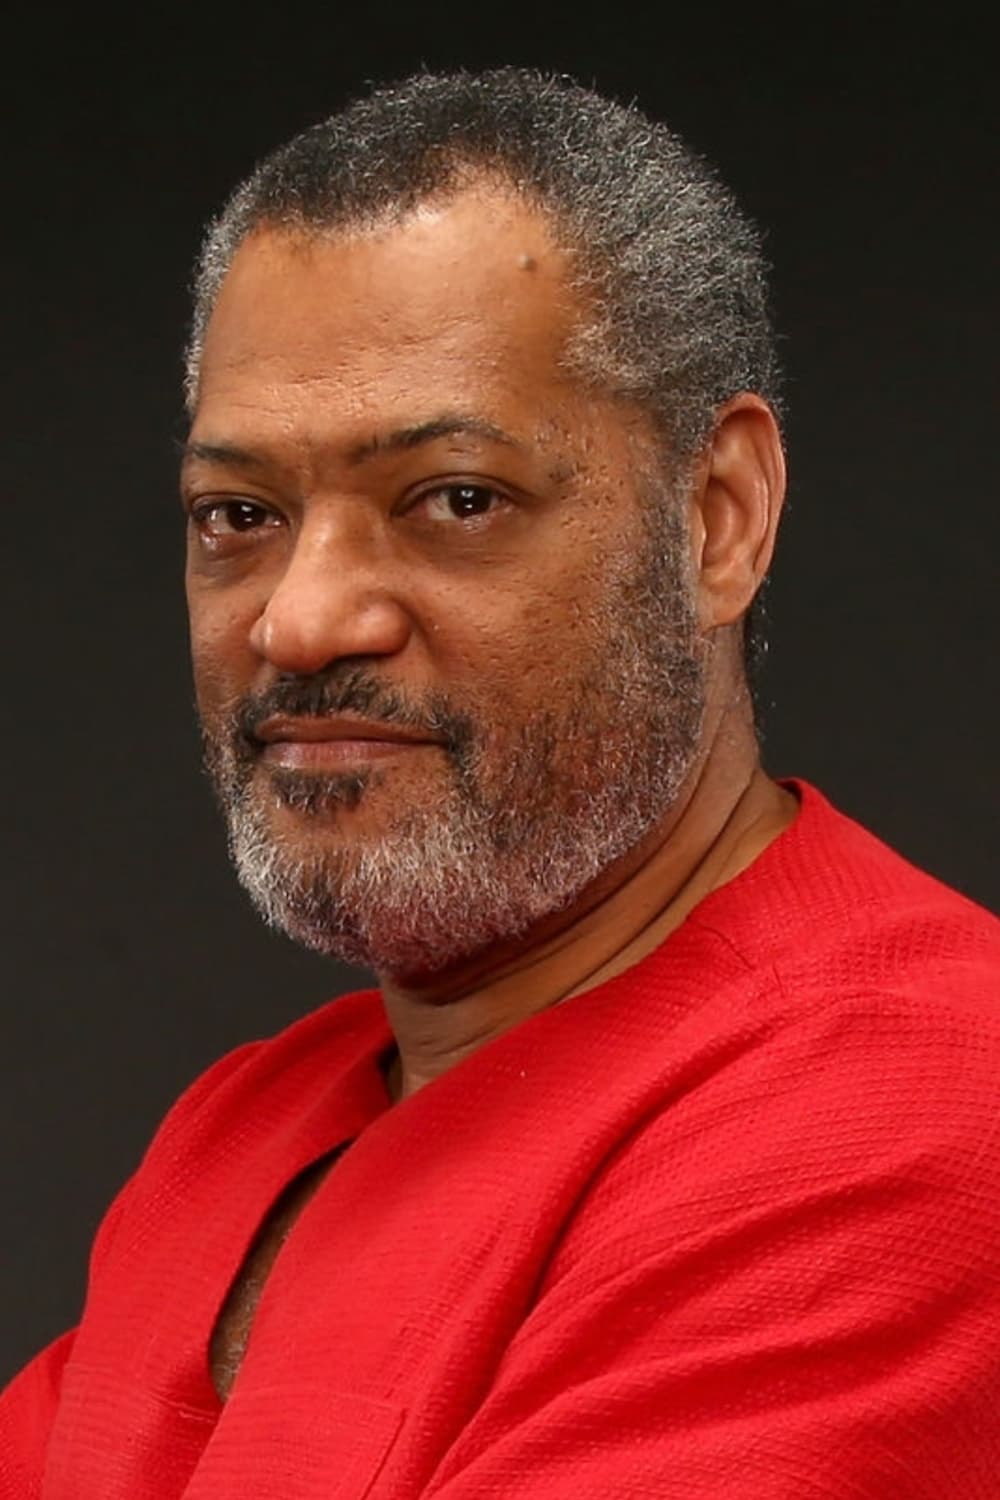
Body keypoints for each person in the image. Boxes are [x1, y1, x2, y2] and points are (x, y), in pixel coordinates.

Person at [2, 67, 998, 1500]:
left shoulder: (912, 1108)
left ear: (717, 518)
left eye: (456, 498)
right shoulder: (243, 1126)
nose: (300, 620)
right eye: (239, 514)